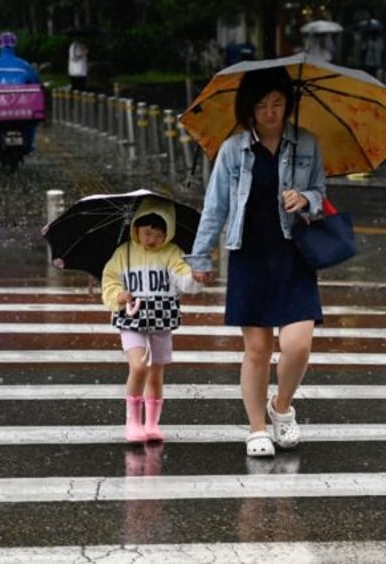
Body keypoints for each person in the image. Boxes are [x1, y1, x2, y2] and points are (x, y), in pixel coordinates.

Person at [185, 66, 326, 458]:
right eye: (262, 105)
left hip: (294, 253)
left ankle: (281, 408)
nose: (270, 111)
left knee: (298, 345)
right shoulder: (233, 150)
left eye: (278, 103)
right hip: (249, 253)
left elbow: (321, 194)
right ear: (249, 108)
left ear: (288, 105)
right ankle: (257, 427)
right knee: (258, 349)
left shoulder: (308, 145)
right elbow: (215, 207)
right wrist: (201, 255)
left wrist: (306, 199)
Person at [101, 197, 204, 443]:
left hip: (161, 318)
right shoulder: (123, 253)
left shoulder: (172, 253)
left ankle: (152, 423)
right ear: (135, 228)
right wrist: (118, 295)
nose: (152, 239)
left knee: (156, 373)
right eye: (147, 233)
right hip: (131, 318)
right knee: (138, 367)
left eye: (159, 234)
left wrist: (196, 277)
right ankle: (133, 422)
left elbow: (183, 280)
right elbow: (109, 279)